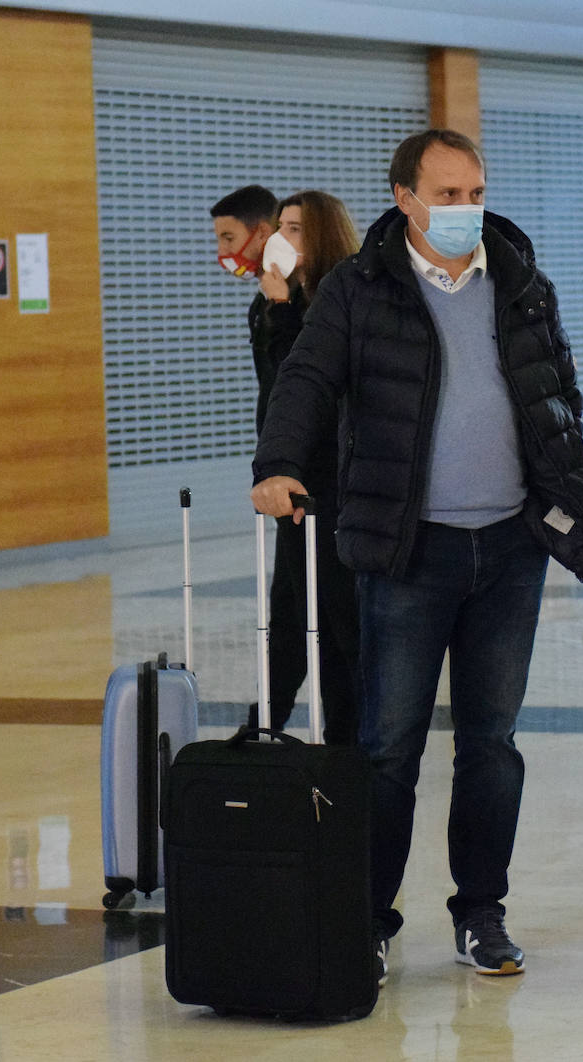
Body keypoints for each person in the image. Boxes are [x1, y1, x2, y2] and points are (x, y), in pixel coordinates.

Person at [251, 129, 583, 983]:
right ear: (402, 197)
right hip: (409, 550)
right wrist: (279, 463)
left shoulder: (519, 280)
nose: (463, 208)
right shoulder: (357, 291)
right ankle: (368, 916)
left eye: (473, 190)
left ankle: (482, 912)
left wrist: (564, 498)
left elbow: (556, 390)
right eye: (445, 194)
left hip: (511, 548)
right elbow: (306, 379)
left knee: (491, 744)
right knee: (388, 748)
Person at [250, 190, 362, 744]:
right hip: (289, 481)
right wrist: (275, 307)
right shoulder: (276, 302)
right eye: (279, 226)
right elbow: (275, 392)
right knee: (291, 607)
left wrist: (286, 312)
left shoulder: (341, 302)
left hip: (335, 483)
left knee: (338, 617)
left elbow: (312, 384)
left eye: (295, 228)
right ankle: (269, 720)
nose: (282, 238)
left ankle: (348, 735)